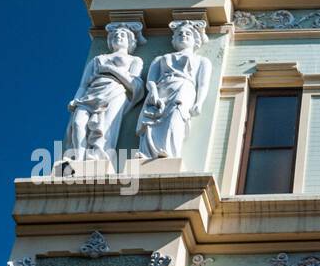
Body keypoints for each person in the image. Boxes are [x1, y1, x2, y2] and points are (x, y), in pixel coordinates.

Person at [63, 22, 144, 163]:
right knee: (77, 123)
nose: (119, 36)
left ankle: (96, 157)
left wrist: (111, 70)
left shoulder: (134, 60)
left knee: (105, 127)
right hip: (91, 93)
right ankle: (78, 160)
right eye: (115, 35)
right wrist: (75, 100)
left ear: (130, 41)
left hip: (115, 92)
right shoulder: (98, 59)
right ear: (110, 40)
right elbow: (83, 84)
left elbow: (135, 85)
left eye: (123, 35)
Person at [136, 20, 212, 160]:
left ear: (195, 39)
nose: (183, 35)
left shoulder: (202, 60)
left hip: (183, 87)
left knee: (176, 116)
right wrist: (153, 92)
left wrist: (199, 103)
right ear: (174, 39)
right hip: (160, 89)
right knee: (152, 119)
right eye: (180, 33)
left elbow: (202, 84)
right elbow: (151, 80)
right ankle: (148, 153)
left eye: (188, 33)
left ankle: (168, 150)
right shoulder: (161, 58)